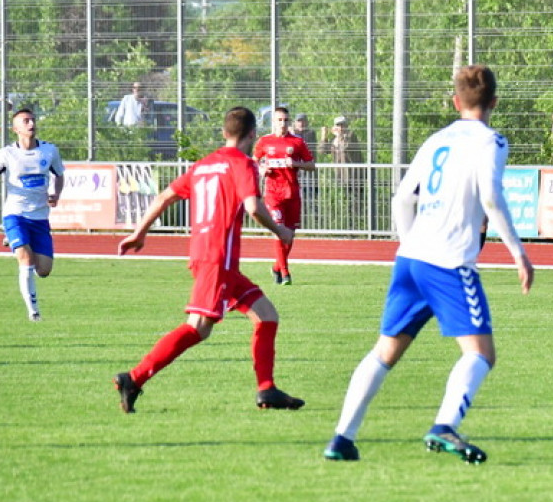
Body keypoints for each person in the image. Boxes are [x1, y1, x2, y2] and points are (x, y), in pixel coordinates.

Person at [323, 65, 534, 465]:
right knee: (480, 353)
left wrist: (412, 243)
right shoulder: (492, 141)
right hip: (450, 261)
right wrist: (518, 253)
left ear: (456, 102)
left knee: (385, 351)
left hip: (411, 257)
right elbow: (490, 196)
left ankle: (342, 438)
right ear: (494, 102)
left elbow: (403, 198)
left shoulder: (436, 139)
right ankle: (444, 425)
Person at [112, 106, 305, 414]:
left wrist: (139, 233)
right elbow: (254, 207)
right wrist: (281, 230)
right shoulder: (242, 164)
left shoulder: (203, 165)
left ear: (224, 133)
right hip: (218, 259)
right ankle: (133, 378)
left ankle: (266, 389)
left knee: (267, 315)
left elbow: (163, 197)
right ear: (253, 134)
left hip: (208, 257)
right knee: (198, 327)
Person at [0, 108, 65, 322]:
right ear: (16, 128)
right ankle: (33, 311)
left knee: (44, 270)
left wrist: (56, 194)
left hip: (40, 218)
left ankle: (16, 242)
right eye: (25, 121)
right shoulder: (7, 153)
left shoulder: (49, 151)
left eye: (32, 120)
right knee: (25, 258)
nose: (31, 123)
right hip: (15, 214)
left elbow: (60, 175)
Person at [252, 106, 315, 285]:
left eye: (286, 120)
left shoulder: (297, 142)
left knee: (289, 234)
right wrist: (263, 169)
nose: (283, 123)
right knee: (279, 232)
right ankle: (286, 272)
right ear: (273, 121)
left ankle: (276, 267)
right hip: (273, 194)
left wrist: (294, 163)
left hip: (292, 193)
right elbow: (253, 162)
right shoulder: (264, 141)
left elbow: (311, 165)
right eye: (279, 120)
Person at [318, 115, 364, 221]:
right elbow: (322, 151)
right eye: (338, 125)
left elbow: (346, 148)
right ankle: (346, 227)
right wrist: (324, 137)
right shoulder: (335, 140)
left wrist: (338, 137)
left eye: (342, 125)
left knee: (356, 205)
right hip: (341, 177)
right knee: (345, 204)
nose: (341, 127)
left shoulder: (351, 136)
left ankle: (357, 226)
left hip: (355, 177)